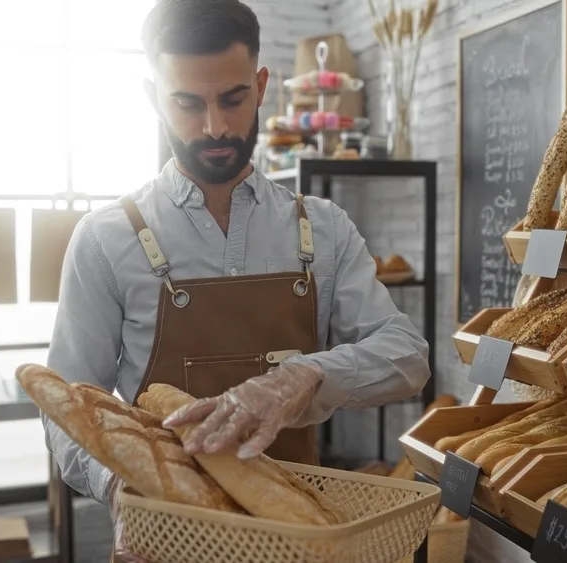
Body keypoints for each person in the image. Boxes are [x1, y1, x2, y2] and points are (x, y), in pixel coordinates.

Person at [42, 0, 431, 559]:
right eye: (187, 103)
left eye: (233, 98)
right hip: (165, 537)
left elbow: (408, 358)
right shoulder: (106, 239)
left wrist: (302, 377)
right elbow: (70, 405)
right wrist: (120, 487)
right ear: (153, 97)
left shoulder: (322, 228)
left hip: (299, 537)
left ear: (262, 84)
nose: (215, 127)